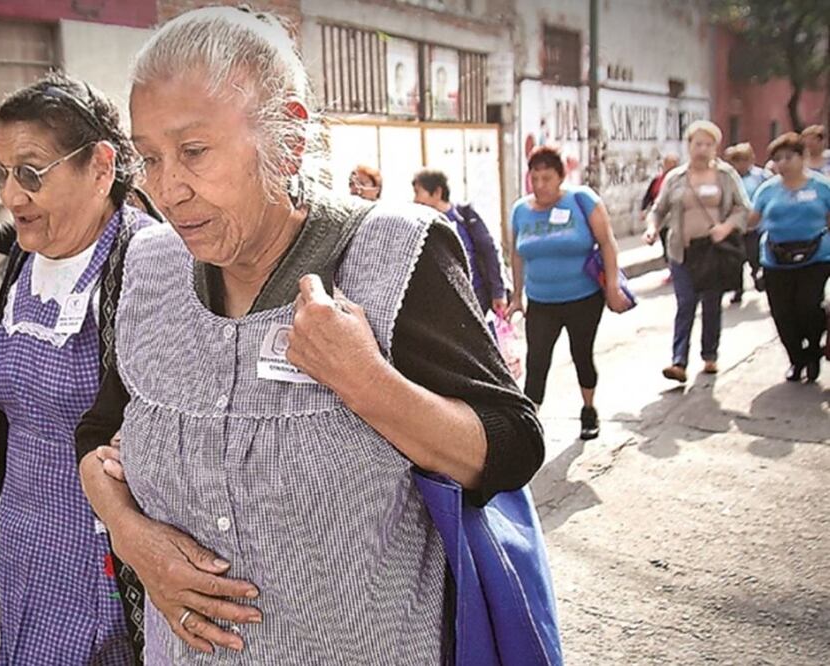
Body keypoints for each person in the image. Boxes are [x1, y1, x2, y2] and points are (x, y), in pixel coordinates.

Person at [74, 7, 546, 662]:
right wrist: (131, 536)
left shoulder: (396, 254)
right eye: (148, 158)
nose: (167, 189)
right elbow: (99, 430)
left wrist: (367, 383)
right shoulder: (149, 264)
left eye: (193, 152)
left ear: (289, 137)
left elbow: (512, 447)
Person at [0, 72, 159, 665]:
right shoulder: (24, 260)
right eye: (0, 172)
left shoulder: (149, 264)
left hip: (107, 558)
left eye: (31, 173)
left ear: (100, 167)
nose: (10, 196)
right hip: (24, 541)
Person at [506, 145, 631, 440]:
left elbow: (607, 243)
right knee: (537, 361)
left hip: (583, 298)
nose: (540, 185)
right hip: (541, 301)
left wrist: (612, 285)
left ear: (561, 177)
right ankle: (529, 426)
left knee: (581, 355)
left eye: (547, 178)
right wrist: (517, 295)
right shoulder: (521, 210)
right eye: (534, 178)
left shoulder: (582, 199)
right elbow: (516, 254)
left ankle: (588, 410)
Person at [644, 120, 751, 384]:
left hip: (713, 251)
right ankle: (678, 361)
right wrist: (652, 228)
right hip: (682, 251)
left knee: (712, 304)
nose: (702, 149)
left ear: (715, 147)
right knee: (686, 304)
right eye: (697, 143)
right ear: (688, 145)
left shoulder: (725, 175)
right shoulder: (676, 177)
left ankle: (710, 354)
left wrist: (726, 227)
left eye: (708, 144)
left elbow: (742, 208)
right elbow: (659, 209)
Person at [749, 132, 830, 382]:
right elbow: (752, 220)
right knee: (783, 313)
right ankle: (796, 359)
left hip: (816, 257)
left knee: (808, 306)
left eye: (788, 157)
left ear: (802, 157)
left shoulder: (821, 187)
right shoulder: (767, 190)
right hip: (776, 258)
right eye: (777, 159)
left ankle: (813, 350)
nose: (782, 163)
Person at [412, 168, 507, 315]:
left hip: (476, 297)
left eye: (418, 192)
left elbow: (488, 251)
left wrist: (498, 292)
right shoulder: (423, 224)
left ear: (437, 192)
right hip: (444, 302)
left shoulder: (464, 217)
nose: (415, 200)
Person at [724, 142, 770, 300]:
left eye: (744, 160)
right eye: (736, 160)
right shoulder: (728, 177)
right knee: (735, 260)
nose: (740, 164)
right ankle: (738, 289)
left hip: (756, 226)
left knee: (754, 256)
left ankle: (758, 277)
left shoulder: (761, 176)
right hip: (735, 226)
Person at [641, 152, 681, 267]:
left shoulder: (681, 180)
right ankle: (669, 263)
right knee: (665, 240)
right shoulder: (657, 180)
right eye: (668, 164)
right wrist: (643, 210)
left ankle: (673, 265)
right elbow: (648, 196)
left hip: (676, 218)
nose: (670, 167)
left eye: (673, 164)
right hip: (662, 217)